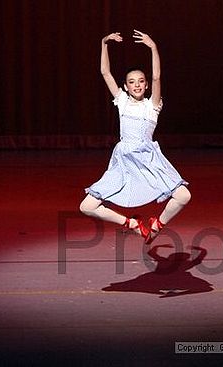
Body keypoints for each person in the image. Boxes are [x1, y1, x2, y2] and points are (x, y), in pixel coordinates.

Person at [79, 29, 191, 245]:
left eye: (141, 81)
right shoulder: (122, 101)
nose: (137, 84)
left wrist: (153, 47)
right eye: (132, 82)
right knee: (86, 206)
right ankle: (131, 224)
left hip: (149, 160)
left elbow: (157, 76)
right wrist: (104, 43)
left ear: (146, 85)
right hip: (124, 162)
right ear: (126, 87)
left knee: (184, 195)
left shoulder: (152, 106)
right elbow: (105, 72)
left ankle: (157, 225)